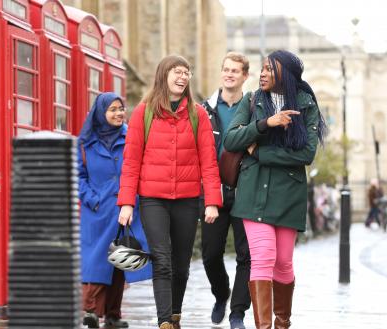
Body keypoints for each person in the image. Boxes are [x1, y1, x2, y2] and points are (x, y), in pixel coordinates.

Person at [117, 55, 222, 329]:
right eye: (177, 72)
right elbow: (131, 160)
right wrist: (127, 203)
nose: (183, 77)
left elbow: (209, 161)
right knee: (161, 259)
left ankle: (175, 314)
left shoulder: (197, 114)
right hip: (153, 199)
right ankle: (164, 321)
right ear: (164, 75)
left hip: (187, 200)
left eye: (187, 72)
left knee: (181, 264)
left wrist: (212, 201)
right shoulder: (144, 111)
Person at [223, 49, 326, 328]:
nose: (263, 73)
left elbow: (305, 154)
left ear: (286, 74)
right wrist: (265, 123)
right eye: (263, 68)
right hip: (253, 192)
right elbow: (232, 140)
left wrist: (259, 153)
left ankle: (282, 323)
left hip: (288, 195)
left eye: (270, 69)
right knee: (263, 258)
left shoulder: (306, 105)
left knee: (283, 264)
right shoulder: (252, 100)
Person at [78, 92, 152, 329]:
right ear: (101, 113)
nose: (119, 113)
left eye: (121, 108)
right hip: (97, 212)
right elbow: (78, 177)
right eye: (113, 109)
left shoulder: (132, 137)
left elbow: (142, 169)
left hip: (125, 209)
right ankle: (89, 311)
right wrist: (93, 199)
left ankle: (112, 314)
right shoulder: (85, 143)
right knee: (95, 262)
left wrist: (134, 199)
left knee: (120, 262)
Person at [201, 52, 251, 329]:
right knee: (210, 254)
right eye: (226, 69)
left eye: (235, 71)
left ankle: (237, 314)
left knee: (246, 256)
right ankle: (221, 294)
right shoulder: (205, 109)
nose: (229, 74)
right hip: (213, 192)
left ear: (245, 76)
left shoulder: (254, 107)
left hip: (245, 190)